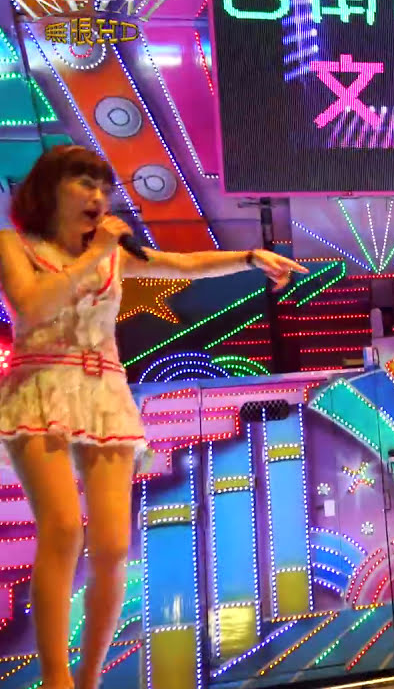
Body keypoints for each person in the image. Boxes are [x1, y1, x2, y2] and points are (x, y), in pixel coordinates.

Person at [0, 145, 307, 689]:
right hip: (40, 386)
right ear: (49, 189)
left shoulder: (115, 254)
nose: (98, 196)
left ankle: (89, 678)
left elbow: (182, 264)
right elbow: (33, 305)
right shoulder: (14, 245)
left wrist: (249, 258)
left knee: (114, 547)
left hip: (104, 390)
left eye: (103, 187)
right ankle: (56, 678)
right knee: (63, 529)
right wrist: (96, 255)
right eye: (84, 183)